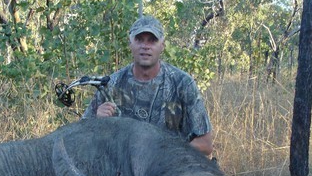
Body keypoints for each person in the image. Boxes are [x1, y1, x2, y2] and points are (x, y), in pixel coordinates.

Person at [82, 15, 214, 156]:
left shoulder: (182, 83)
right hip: (122, 168)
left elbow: (205, 145)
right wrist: (98, 121)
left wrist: (165, 151)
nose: (145, 46)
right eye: (139, 40)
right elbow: (82, 136)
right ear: (130, 44)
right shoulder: (111, 84)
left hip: (169, 167)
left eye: (152, 40)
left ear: (162, 45)